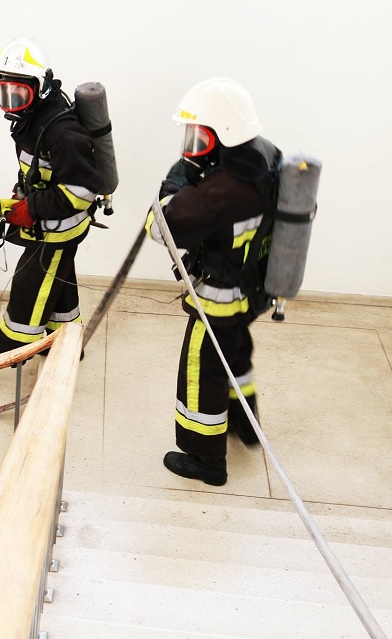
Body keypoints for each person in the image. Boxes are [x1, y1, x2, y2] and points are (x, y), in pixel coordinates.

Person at [146, 77, 282, 486]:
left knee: (201, 369)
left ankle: (204, 458)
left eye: (199, 137)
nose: (191, 146)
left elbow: (162, 227)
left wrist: (177, 180)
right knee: (234, 356)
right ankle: (245, 424)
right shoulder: (264, 154)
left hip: (218, 298)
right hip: (251, 289)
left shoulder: (224, 189)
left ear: (223, 133)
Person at [0, 37, 105, 363]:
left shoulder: (62, 131)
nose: (12, 103)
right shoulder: (34, 119)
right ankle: (66, 345)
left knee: (30, 285)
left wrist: (32, 208)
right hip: (52, 221)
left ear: (39, 88)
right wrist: (22, 194)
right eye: (6, 93)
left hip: (58, 228)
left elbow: (83, 191)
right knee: (60, 285)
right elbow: (40, 170)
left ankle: (11, 349)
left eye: (19, 94)